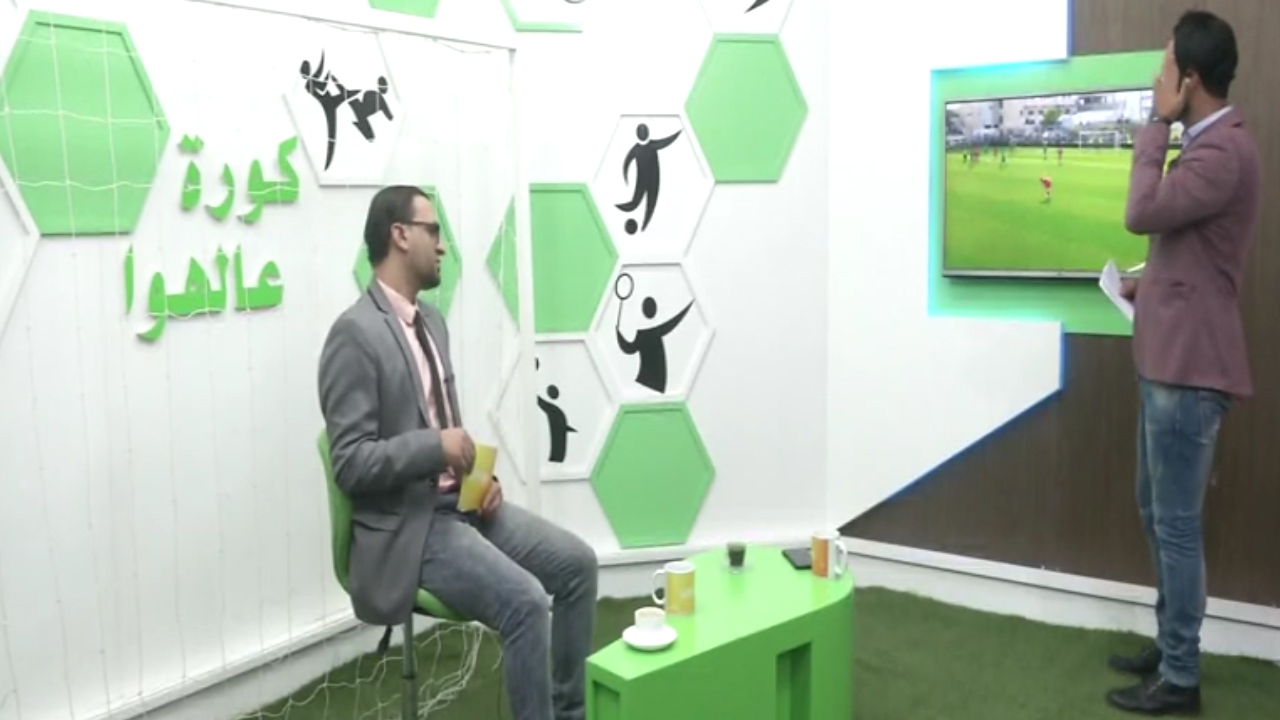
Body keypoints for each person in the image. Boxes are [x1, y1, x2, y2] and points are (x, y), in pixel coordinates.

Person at [317, 186, 599, 720]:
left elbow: (444, 433)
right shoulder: (353, 335)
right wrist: (434, 447)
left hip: (463, 506)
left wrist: (480, 481)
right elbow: (350, 463)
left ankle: (570, 714)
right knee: (526, 602)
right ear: (400, 235)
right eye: (433, 231)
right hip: (412, 527)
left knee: (578, 566)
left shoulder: (433, 324)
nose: (442, 245)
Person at [1109, 11, 1260, 716]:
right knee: (1157, 513)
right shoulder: (1210, 146)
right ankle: (1172, 645)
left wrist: (1156, 123)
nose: (1156, 79)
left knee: (1174, 524)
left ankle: (1181, 676)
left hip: (1189, 370)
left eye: (1165, 69)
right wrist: (1150, 286)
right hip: (1170, 360)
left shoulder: (1221, 151)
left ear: (1189, 81)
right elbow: (1192, 249)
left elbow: (1142, 210)